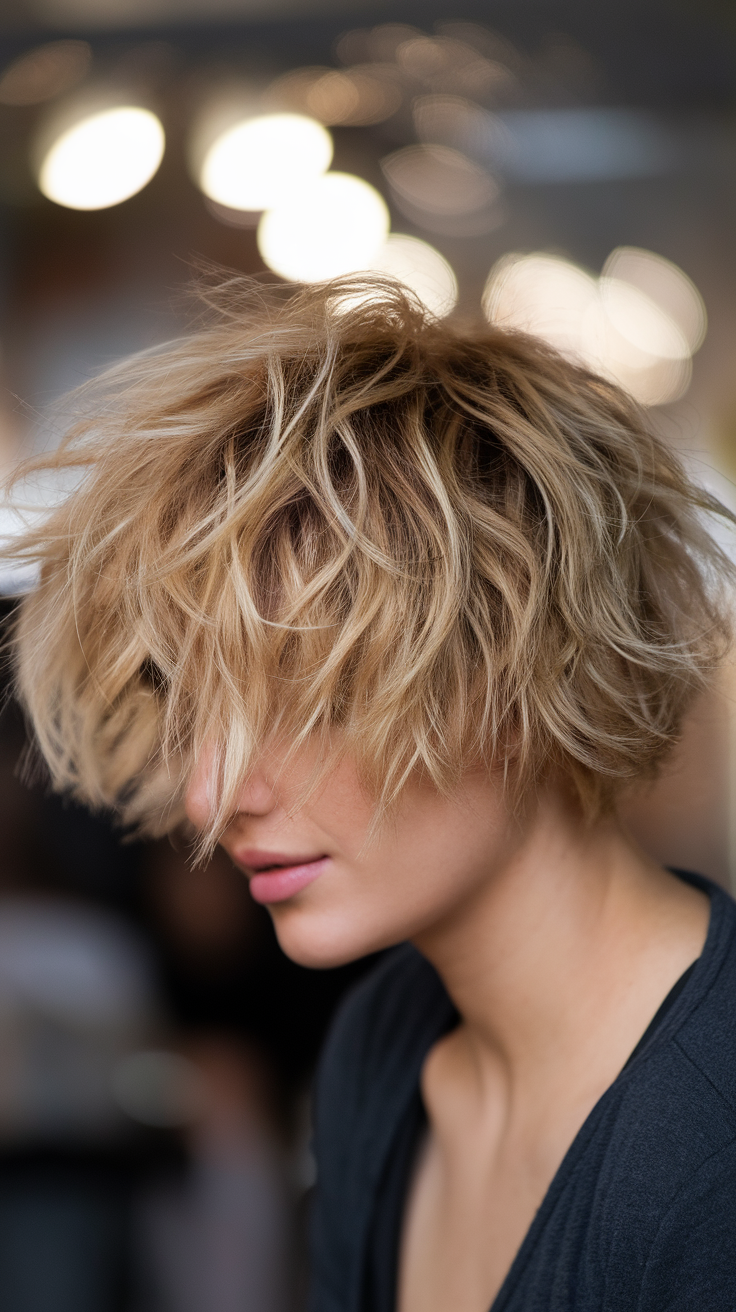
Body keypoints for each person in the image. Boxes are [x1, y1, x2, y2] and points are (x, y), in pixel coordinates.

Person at [6, 276, 736, 1312]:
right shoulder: (382, 1046)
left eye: (299, 702)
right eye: (194, 709)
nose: (209, 801)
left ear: (522, 664)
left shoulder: (710, 1150)